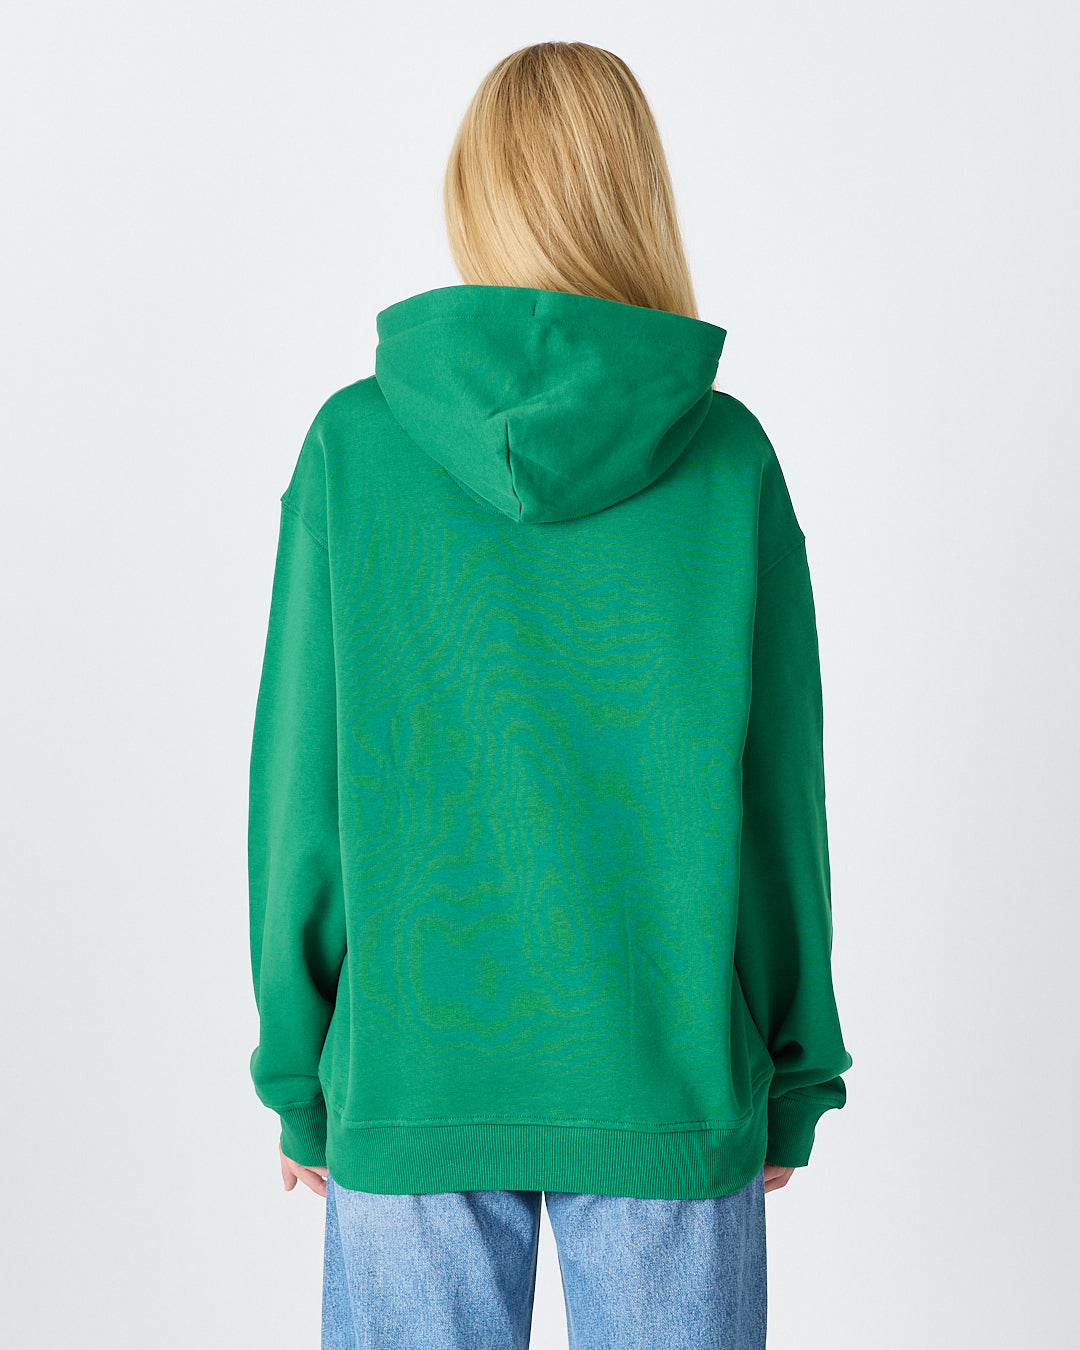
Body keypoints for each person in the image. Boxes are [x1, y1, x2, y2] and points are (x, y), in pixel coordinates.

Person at [247, 40, 853, 1350]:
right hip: (665, 1074)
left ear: (474, 193)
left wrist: (301, 1070)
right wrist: (794, 1068)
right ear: (638, 198)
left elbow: (301, 799)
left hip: (414, 1070)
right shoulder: (727, 459)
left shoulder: (355, 447)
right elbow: (776, 808)